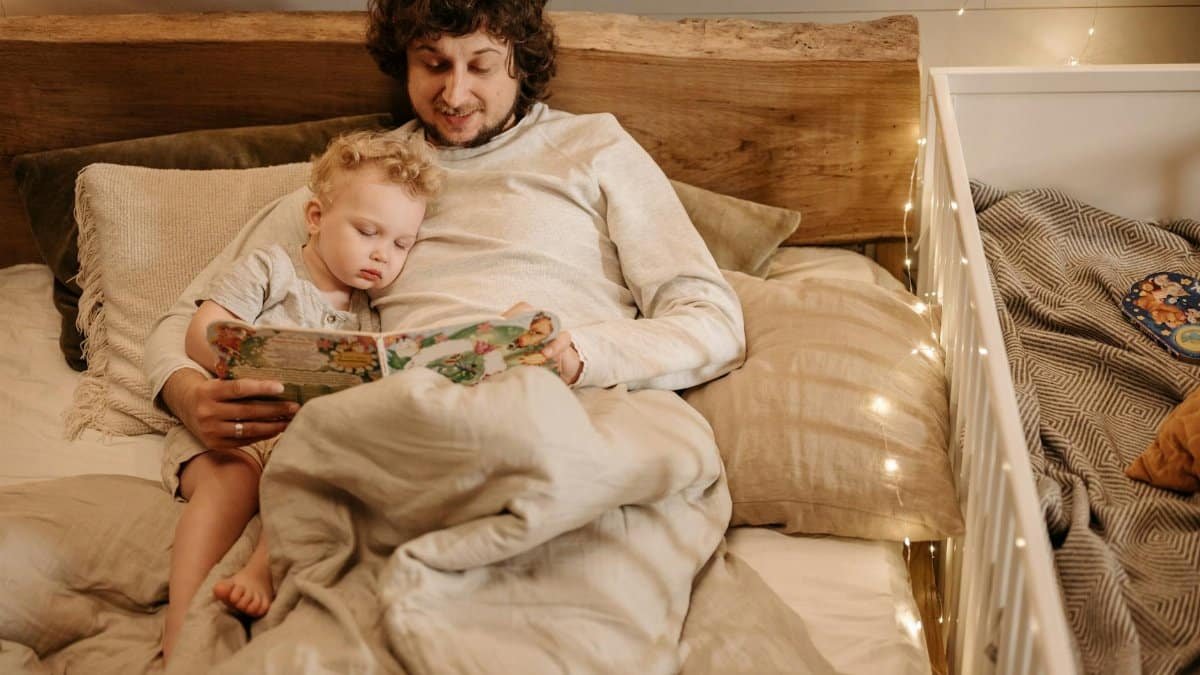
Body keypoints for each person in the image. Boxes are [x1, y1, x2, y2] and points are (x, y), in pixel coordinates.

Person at [144, 0, 745, 652]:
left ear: (521, 63)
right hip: (406, 420)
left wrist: (581, 354)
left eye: (480, 67)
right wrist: (189, 394)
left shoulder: (593, 146)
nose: (454, 93)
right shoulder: (366, 175)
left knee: (573, 618)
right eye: (433, 65)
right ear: (403, 61)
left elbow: (712, 319)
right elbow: (189, 318)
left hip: (573, 403)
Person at [159, 130, 444, 660]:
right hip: (236, 431)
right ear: (316, 218)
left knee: (325, 482)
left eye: (400, 244)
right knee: (231, 483)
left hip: (300, 442)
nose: (383, 255)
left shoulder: (367, 314)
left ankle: (260, 569)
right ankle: (178, 631)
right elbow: (202, 332)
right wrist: (245, 360)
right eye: (368, 231)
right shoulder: (271, 269)